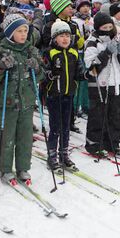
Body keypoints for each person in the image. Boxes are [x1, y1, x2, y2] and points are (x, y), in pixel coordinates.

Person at [0, 14, 43, 183]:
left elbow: (41, 76)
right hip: (8, 103)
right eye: (19, 31)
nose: (24, 34)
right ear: (10, 33)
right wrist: (1, 67)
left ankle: (23, 167)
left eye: (25, 30)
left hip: (27, 102)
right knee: (7, 137)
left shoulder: (31, 51)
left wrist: (37, 67)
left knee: (25, 137)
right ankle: (5, 168)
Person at [42, 20, 84, 171]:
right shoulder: (50, 52)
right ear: (54, 38)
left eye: (67, 35)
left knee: (66, 126)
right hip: (54, 94)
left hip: (69, 93)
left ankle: (64, 153)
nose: (65, 39)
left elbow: (79, 69)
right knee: (55, 127)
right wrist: (51, 74)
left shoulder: (73, 52)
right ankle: (52, 155)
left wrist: (82, 74)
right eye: (61, 36)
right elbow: (43, 72)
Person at [83, 12, 120, 156]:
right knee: (98, 116)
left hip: (115, 83)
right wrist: (106, 53)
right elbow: (91, 70)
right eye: (104, 27)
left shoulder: (114, 38)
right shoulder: (92, 42)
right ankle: (94, 144)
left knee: (115, 115)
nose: (107, 30)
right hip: (99, 85)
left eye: (110, 27)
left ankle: (112, 143)